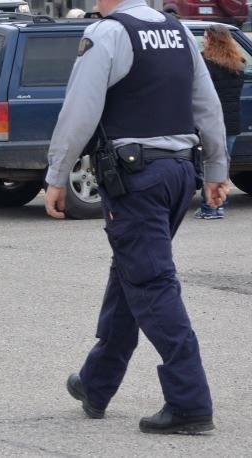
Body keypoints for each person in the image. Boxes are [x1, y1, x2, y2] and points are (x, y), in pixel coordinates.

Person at [43, 0, 230, 434]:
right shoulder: (178, 31)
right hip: (179, 172)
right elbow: (207, 106)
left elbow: (79, 112)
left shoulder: (109, 33)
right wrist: (218, 170)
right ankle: (96, 383)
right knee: (133, 271)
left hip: (137, 178)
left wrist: (56, 174)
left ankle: (189, 402)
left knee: (151, 280)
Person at [194, 24, 244, 219]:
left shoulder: (205, 63)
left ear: (213, 40)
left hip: (212, 121)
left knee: (209, 163)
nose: (204, 40)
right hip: (232, 121)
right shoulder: (239, 63)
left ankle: (210, 208)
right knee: (222, 163)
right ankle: (219, 204)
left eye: (206, 37)